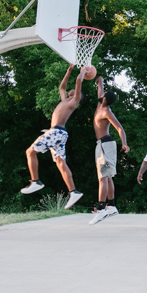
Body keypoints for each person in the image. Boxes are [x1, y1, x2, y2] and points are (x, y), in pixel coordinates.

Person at [21, 64, 88, 209]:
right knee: (60, 162)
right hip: (58, 134)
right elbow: (61, 88)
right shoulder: (65, 100)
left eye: (77, 92)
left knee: (30, 152)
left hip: (56, 132)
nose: (72, 90)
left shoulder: (74, 102)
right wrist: (68, 71)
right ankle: (73, 191)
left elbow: (78, 82)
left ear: (78, 96)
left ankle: (36, 181)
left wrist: (82, 72)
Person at [89, 76, 130, 225]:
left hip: (106, 144)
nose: (102, 93)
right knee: (108, 176)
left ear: (105, 99)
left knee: (103, 177)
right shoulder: (100, 102)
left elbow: (119, 128)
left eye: (104, 94)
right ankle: (111, 206)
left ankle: (101, 209)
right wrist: (96, 77)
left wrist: (124, 143)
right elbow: (100, 82)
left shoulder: (106, 111)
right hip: (101, 144)